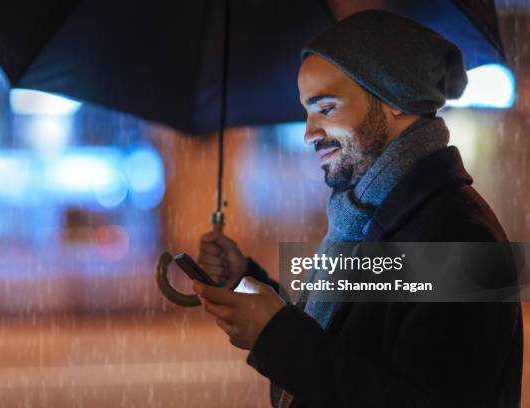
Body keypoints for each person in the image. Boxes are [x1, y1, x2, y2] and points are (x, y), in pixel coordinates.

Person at [191, 10, 523, 408]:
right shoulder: (372, 215)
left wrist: (276, 335)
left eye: (326, 108)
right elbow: (349, 335)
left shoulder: (457, 233)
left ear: (395, 98)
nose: (309, 133)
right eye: (306, 112)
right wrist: (244, 279)